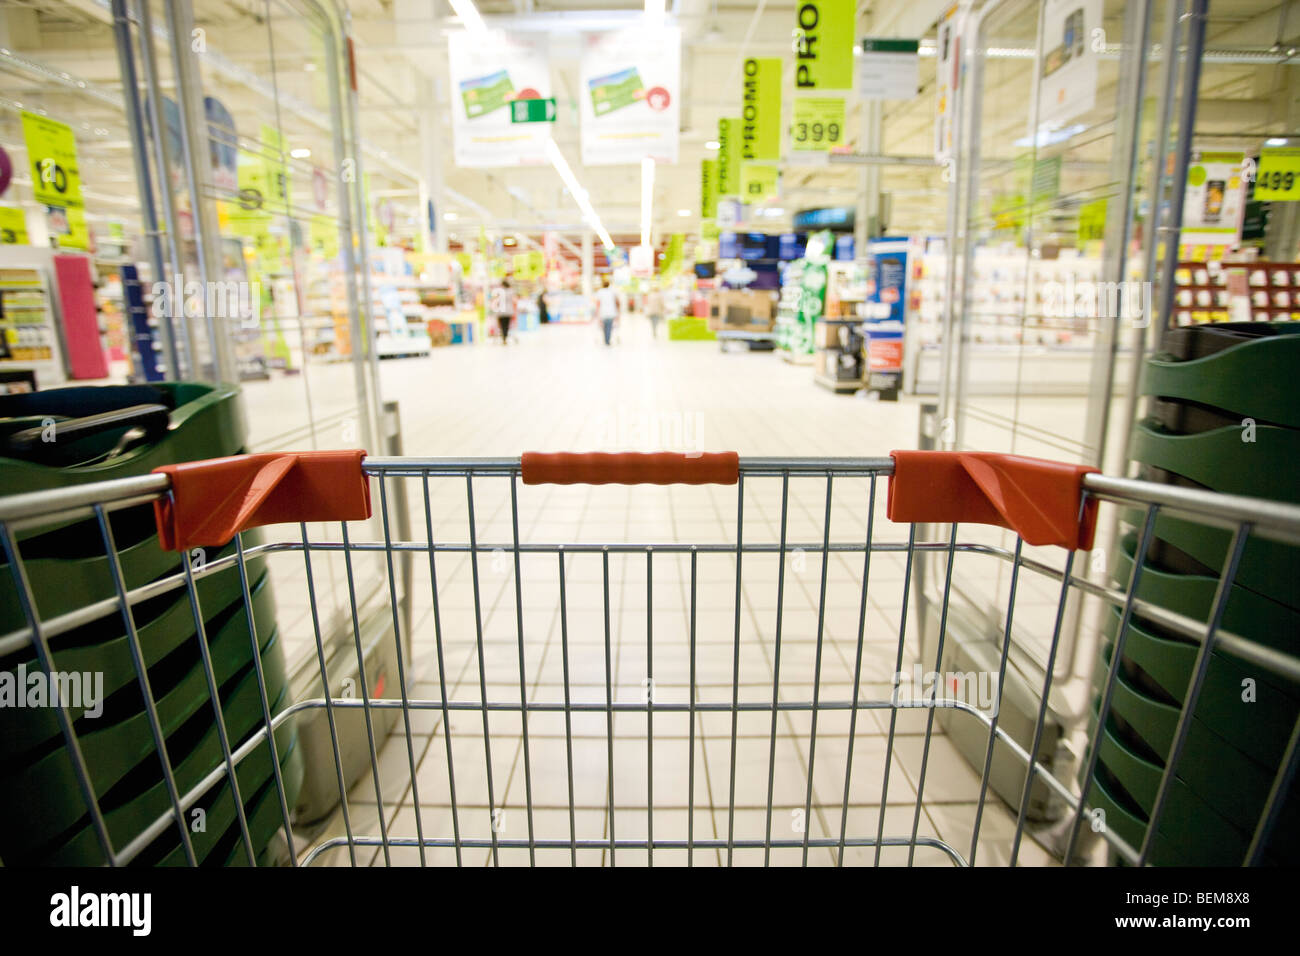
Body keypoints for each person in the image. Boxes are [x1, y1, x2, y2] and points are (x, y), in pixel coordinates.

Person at [594, 276, 619, 346]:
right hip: (611, 311)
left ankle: (606, 339)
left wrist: (597, 312)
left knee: (604, 327)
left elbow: (598, 303)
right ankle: (608, 340)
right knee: (610, 327)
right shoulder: (612, 292)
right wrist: (618, 312)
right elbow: (616, 302)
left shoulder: (600, 292)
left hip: (603, 312)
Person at [490, 277, 513, 345]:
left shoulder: (500, 292)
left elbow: (496, 301)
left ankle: (503, 338)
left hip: (501, 311)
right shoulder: (511, 291)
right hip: (509, 311)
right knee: (507, 325)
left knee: (502, 326)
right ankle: (505, 337)